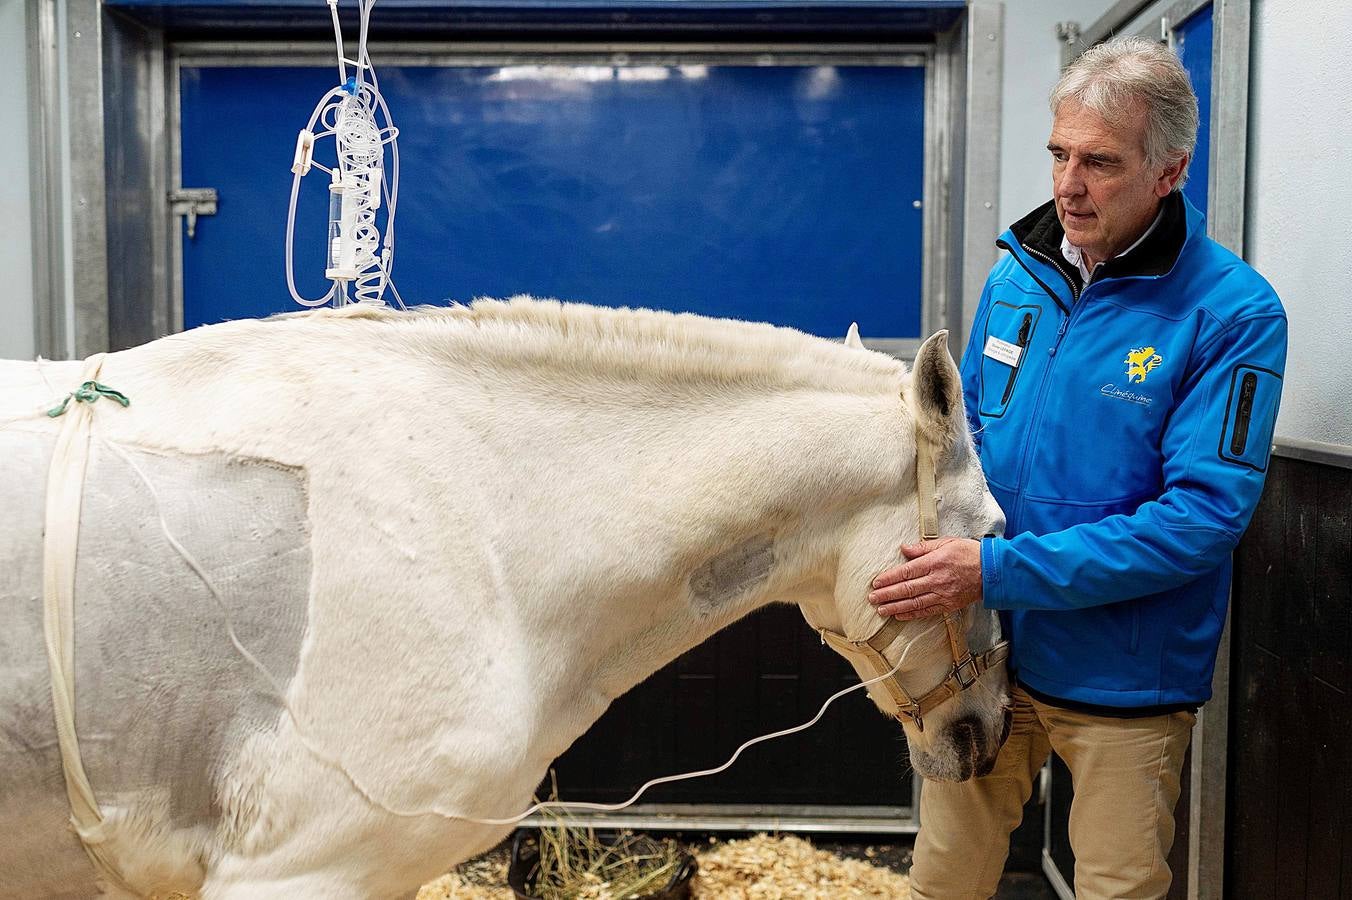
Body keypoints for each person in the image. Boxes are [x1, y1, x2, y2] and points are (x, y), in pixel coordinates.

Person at [867, 36, 1287, 900]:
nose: (1068, 184)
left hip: (1123, 669)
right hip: (986, 653)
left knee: (1116, 886)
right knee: (942, 879)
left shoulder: (1233, 313)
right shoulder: (1016, 279)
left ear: (1169, 172)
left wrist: (991, 569)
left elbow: (1201, 519)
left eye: (1100, 162)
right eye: (1060, 154)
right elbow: (968, 444)